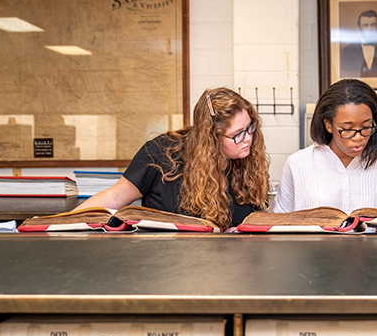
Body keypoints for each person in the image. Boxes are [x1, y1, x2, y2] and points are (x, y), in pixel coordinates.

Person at [75, 87, 270, 230]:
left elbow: (256, 216)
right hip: (167, 266)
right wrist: (63, 223)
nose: (249, 138)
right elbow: (114, 196)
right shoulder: (162, 154)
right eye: (238, 134)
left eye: (250, 127)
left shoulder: (247, 162)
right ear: (210, 138)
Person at [273, 79, 377, 214]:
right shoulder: (298, 164)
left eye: (366, 127)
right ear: (328, 125)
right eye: (347, 129)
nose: (358, 137)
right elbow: (281, 221)